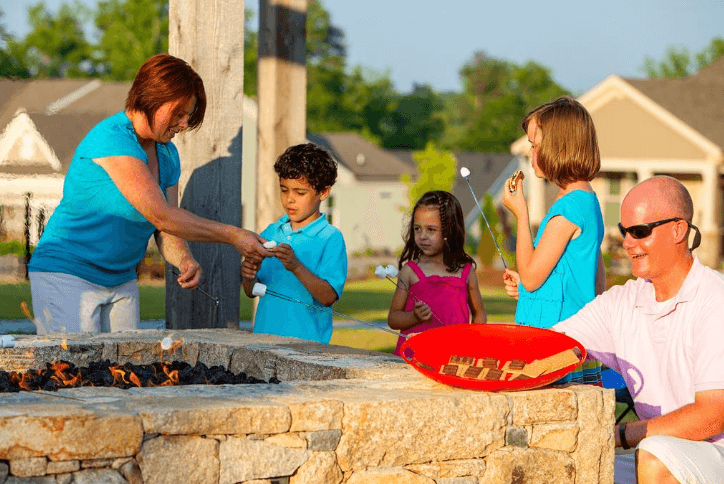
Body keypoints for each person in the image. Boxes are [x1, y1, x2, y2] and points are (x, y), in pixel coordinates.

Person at [28, 53, 271, 334]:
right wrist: (234, 235)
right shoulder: (112, 138)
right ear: (151, 97)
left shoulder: (168, 154)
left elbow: (167, 228)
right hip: (66, 274)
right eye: (179, 113)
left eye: (188, 116)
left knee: (127, 372)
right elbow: (161, 214)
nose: (183, 124)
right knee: (73, 372)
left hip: (121, 280)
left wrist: (184, 258)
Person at [550, 176, 724, 484]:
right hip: (653, 451)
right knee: (571, 469)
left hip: (715, 452)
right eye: (623, 230)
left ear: (678, 230)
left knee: (654, 453)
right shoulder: (623, 301)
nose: (627, 241)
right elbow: (551, 344)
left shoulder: (714, 299)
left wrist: (618, 434)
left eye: (639, 231)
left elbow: (713, 415)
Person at [502, 96, 605, 385]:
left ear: (559, 148)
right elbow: (591, 284)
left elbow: (533, 277)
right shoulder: (587, 201)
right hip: (575, 341)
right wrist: (527, 290)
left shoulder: (568, 208)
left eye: (535, 146)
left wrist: (521, 214)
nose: (532, 154)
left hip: (553, 347)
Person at [241, 143, 347, 344]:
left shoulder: (330, 238)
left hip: (307, 349)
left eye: (300, 193)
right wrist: (248, 276)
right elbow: (251, 291)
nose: (290, 199)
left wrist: (295, 266)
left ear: (323, 192)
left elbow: (327, 297)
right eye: (284, 190)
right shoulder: (271, 232)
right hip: (263, 343)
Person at [387, 190, 487, 356]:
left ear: (449, 230)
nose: (422, 236)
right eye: (417, 229)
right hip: (415, 358)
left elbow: (479, 312)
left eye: (431, 230)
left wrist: (474, 342)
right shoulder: (410, 272)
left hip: (453, 358)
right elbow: (393, 318)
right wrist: (414, 317)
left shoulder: (466, 271)